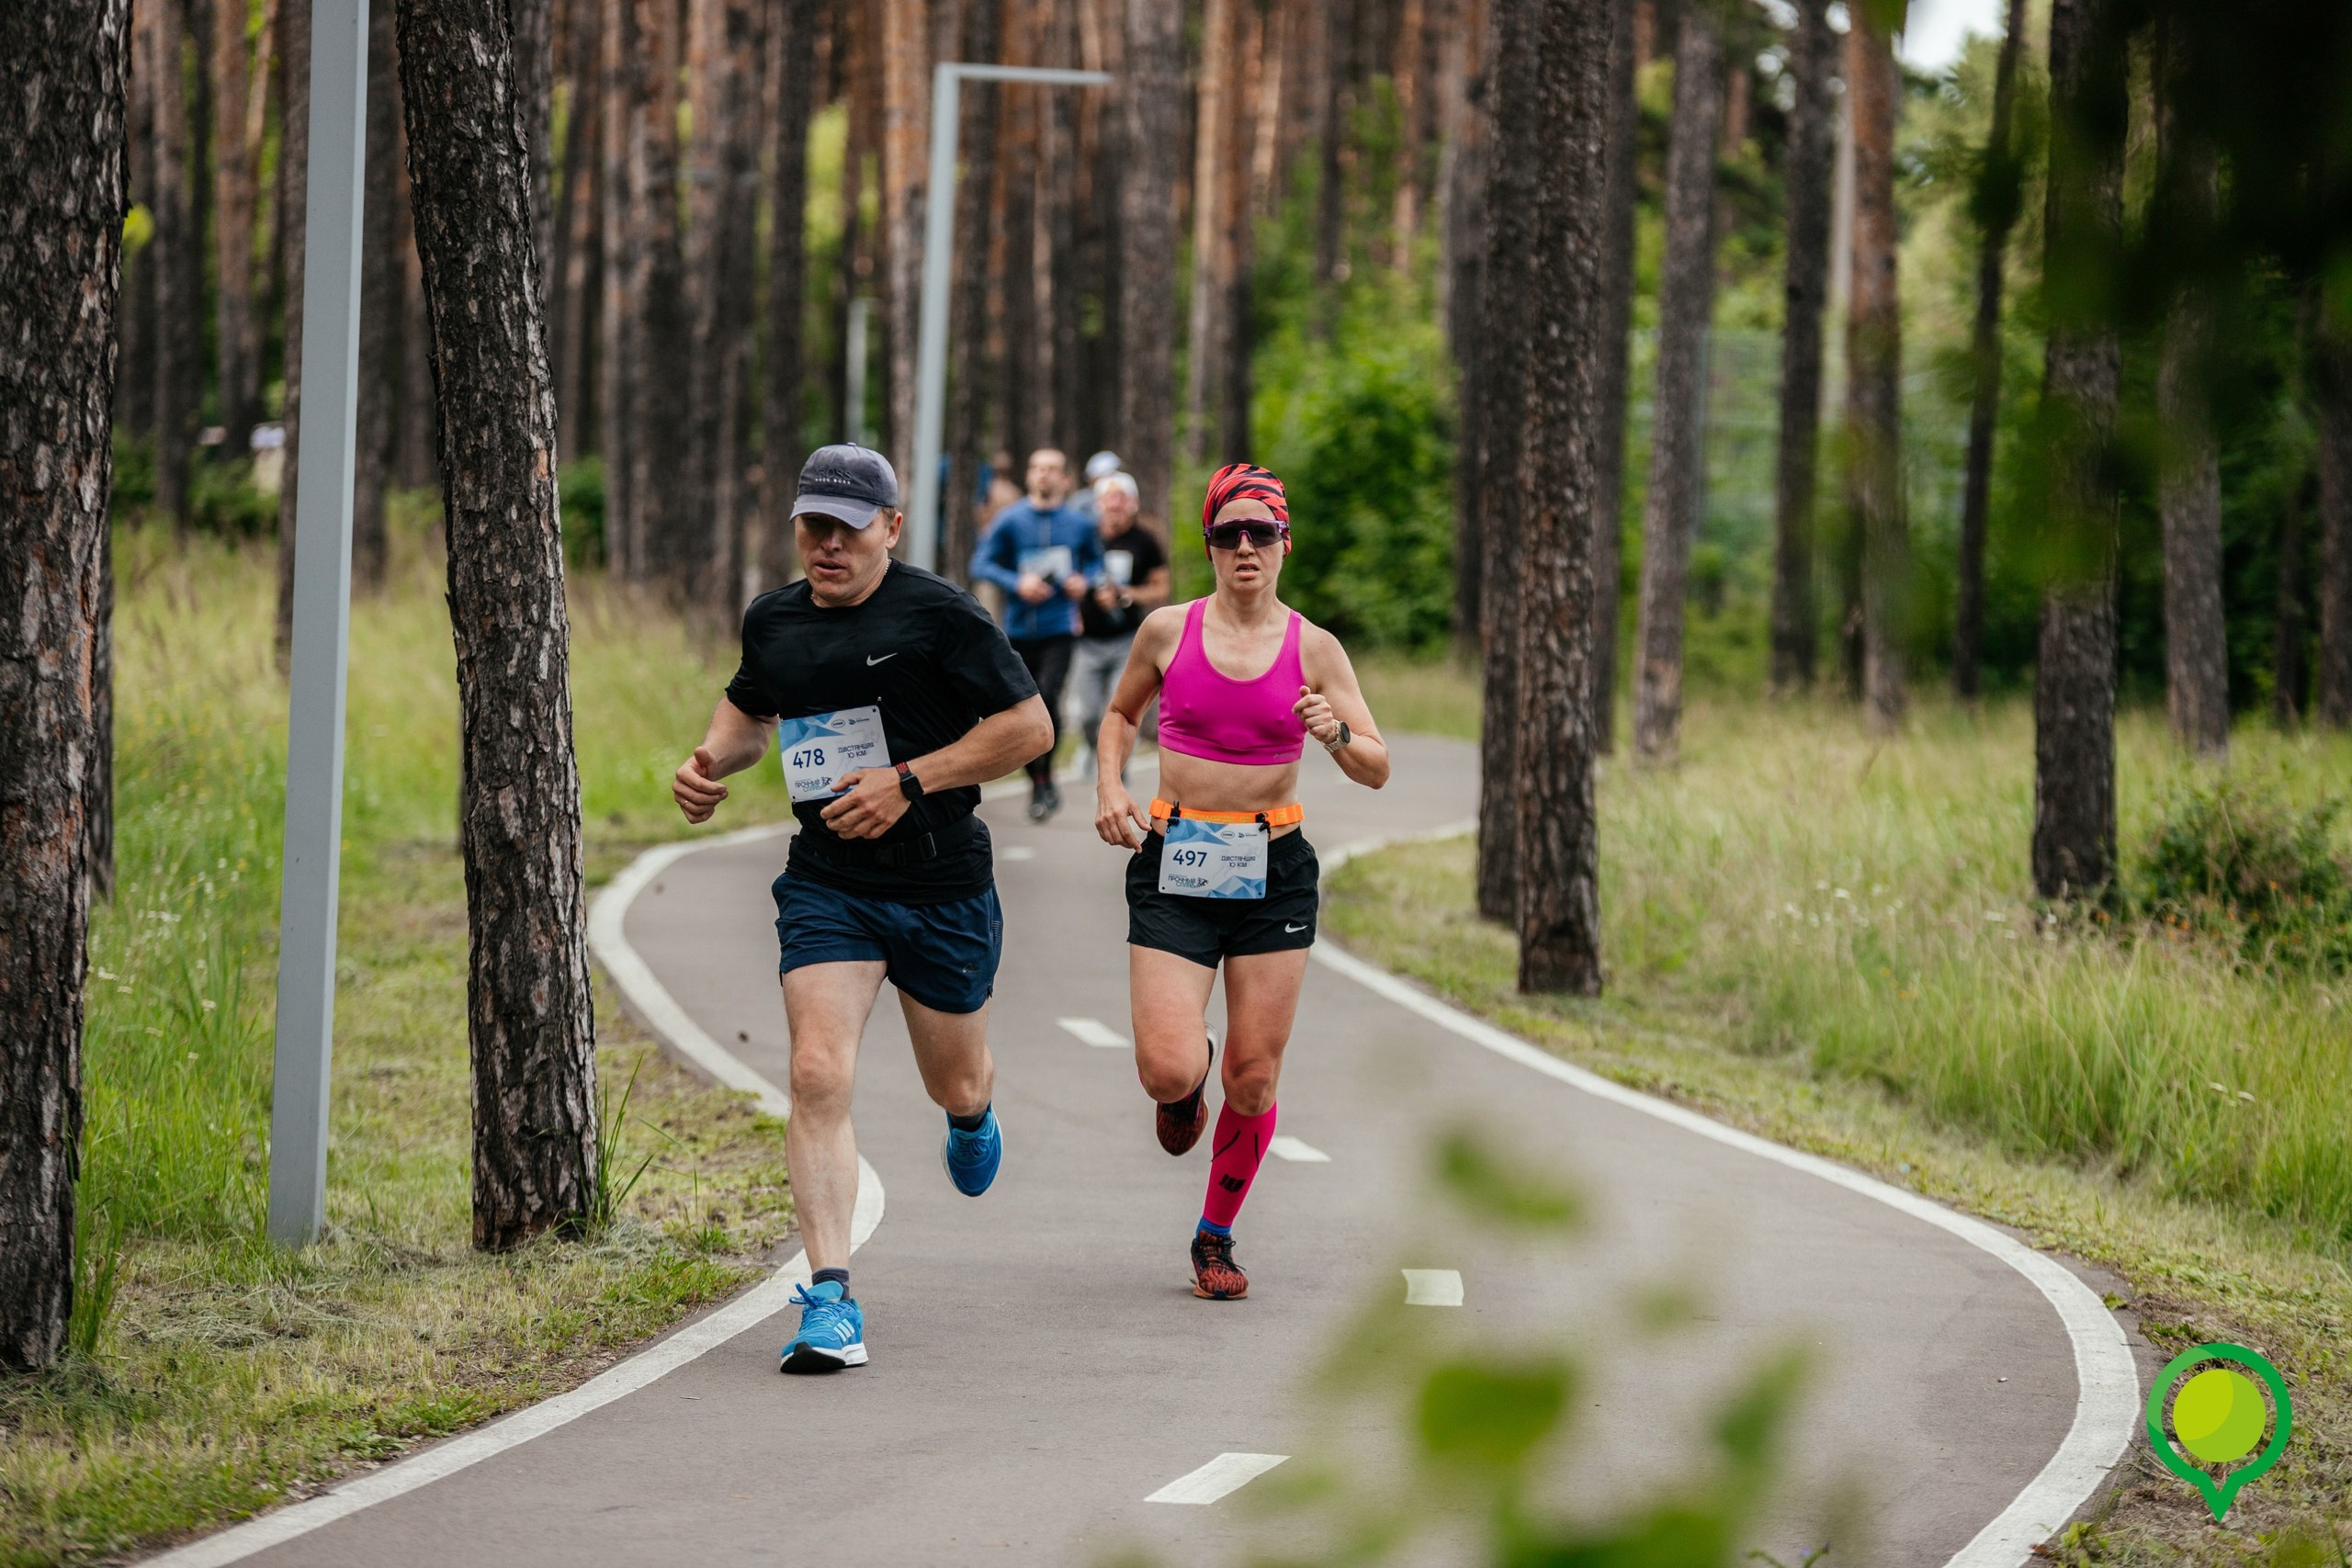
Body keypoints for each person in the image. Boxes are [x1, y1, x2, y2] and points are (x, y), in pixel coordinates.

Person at [673, 444, 1054, 1372]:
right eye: (814, 525)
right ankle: (831, 1298)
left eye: (848, 527)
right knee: (815, 1073)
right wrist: (710, 762)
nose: (828, 544)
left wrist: (908, 780)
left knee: (955, 1082)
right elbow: (749, 713)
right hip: (829, 881)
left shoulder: (941, 615)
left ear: (890, 526)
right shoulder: (775, 619)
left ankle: (972, 1114)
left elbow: (1029, 728)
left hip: (940, 880)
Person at [1091, 462, 1391, 1301]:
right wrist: (1110, 785)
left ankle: (1214, 1235)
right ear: (1211, 545)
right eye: (1230, 533)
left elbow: (1376, 765)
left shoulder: (1315, 648)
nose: (1247, 547)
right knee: (1165, 1068)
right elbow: (1120, 715)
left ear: (1286, 543)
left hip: (1274, 873)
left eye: (1263, 532)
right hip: (1177, 862)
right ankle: (1184, 1085)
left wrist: (1334, 734)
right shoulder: (1167, 631)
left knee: (1253, 1078)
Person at [970, 447, 1102, 822]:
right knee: (1025, 707)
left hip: (1061, 627)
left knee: (1049, 697)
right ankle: (1039, 781)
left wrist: (1084, 581)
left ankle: (1046, 777)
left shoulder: (1079, 524)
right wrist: (1018, 582)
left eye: (1052, 469)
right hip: (1019, 629)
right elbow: (981, 563)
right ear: (1029, 476)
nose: (1043, 474)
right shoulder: (1011, 520)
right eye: (1037, 468)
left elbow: (1097, 563)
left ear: (1065, 479)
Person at [1071, 471, 1170, 779]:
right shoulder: (1085, 538)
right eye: (1108, 499)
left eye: (1121, 499)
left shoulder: (1145, 541)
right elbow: (1069, 579)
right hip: (1087, 640)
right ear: (1098, 504)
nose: (1114, 506)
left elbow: (1161, 588)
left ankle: (1115, 771)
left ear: (1133, 504)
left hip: (1126, 640)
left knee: (1120, 709)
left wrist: (1127, 595)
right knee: (1088, 714)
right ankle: (1092, 748)